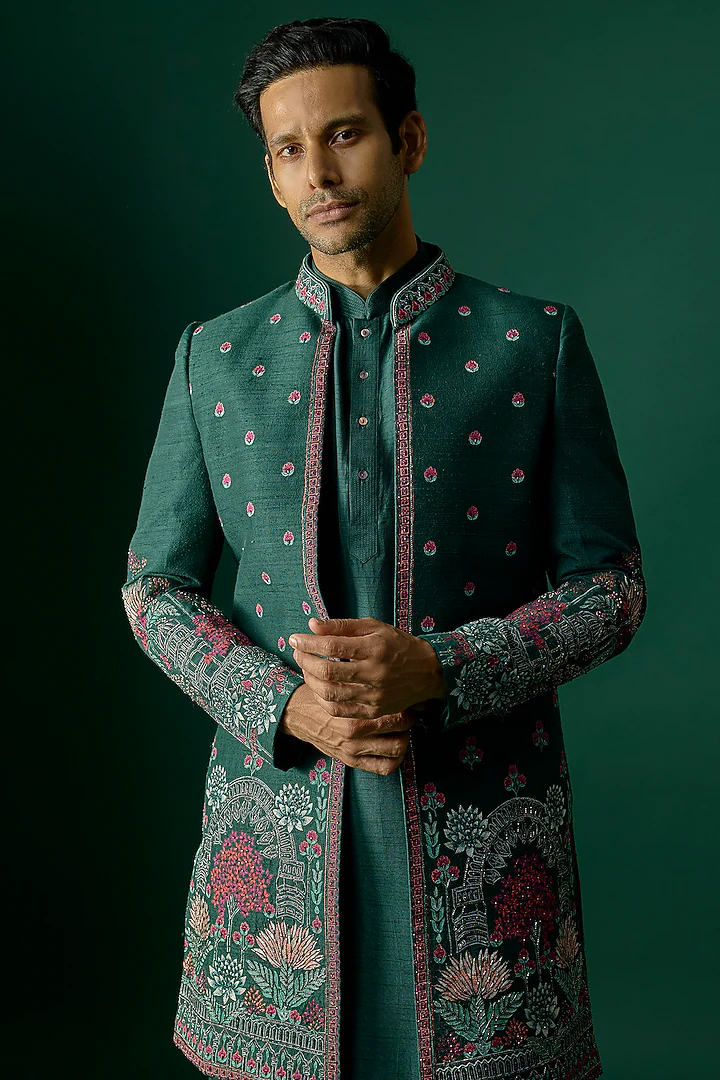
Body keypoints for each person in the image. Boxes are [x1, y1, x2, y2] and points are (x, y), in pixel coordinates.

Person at [121, 16, 647, 1080]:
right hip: (276, 845)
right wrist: (284, 705)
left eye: (345, 134)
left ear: (408, 139)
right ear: (272, 177)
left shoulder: (530, 343)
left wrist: (442, 668)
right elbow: (154, 588)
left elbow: (611, 589)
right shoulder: (214, 357)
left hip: (482, 830)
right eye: (288, 149)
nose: (318, 172)